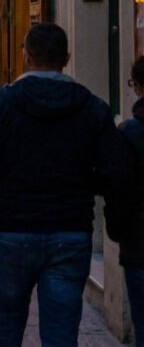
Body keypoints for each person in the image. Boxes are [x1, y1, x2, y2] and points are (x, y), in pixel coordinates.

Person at [0, 23, 132, 345]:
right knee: (61, 333)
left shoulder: (0, 105)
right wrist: (114, 223)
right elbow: (116, 173)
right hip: (70, 232)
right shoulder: (92, 108)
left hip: (12, 231)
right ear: (67, 58)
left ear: (26, 56)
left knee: (5, 326)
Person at [116, 56, 144, 346]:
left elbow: (118, 189)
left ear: (137, 87)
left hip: (139, 243)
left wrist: (118, 231)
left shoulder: (130, 134)